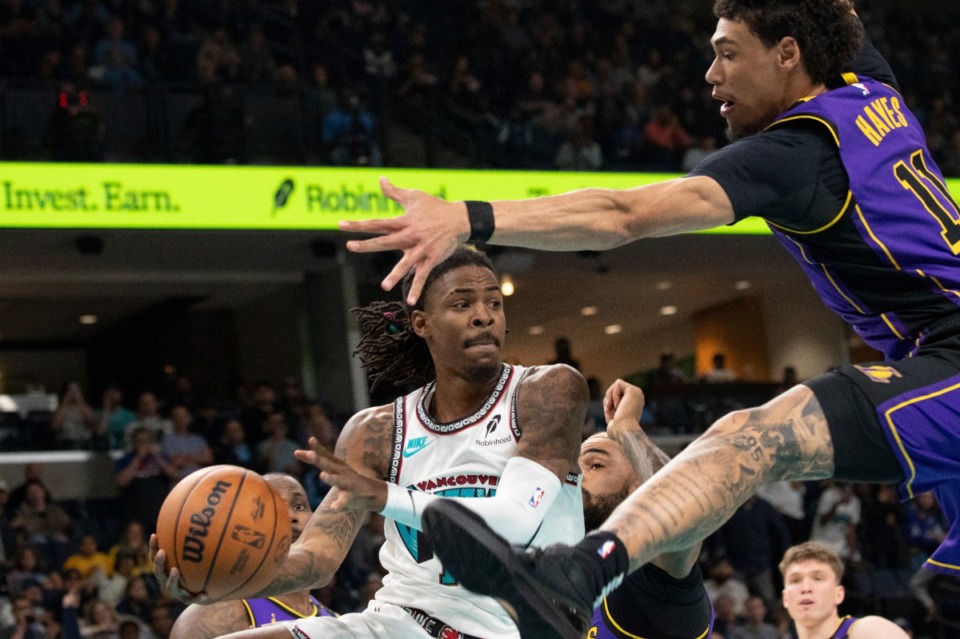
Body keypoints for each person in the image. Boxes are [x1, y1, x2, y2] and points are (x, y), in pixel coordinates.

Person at [340, 2, 960, 638]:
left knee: (748, 438)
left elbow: (623, 215)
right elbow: (837, 14)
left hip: (950, 356)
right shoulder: (869, 85)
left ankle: (576, 572)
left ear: (788, 52)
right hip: (930, 357)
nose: (710, 74)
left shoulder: (794, 154)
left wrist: (468, 217)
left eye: (727, 51)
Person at [155, 246, 587, 639]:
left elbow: (513, 521)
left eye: (494, 302)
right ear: (422, 323)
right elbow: (320, 557)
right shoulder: (378, 430)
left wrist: (383, 495)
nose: (484, 315)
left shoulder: (547, 390)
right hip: (404, 623)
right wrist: (223, 582)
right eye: (462, 304)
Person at [430, 379, 714, 639]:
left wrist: (626, 426)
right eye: (572, 465)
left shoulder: (652, 579)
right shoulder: (546, 558)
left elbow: (683, 509)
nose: (574, 475)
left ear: (637, 489)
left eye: (595, 465)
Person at [168, 473, 335, 639]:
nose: (290, 516)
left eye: (299, 506)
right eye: (272, 508)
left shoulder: (336, 623)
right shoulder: (213, 616)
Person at [780, 541, 909, 639]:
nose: (806, 588)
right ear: (785, 598)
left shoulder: (867, 631)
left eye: (818, 578)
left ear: (839, 594)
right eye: (796, 580)